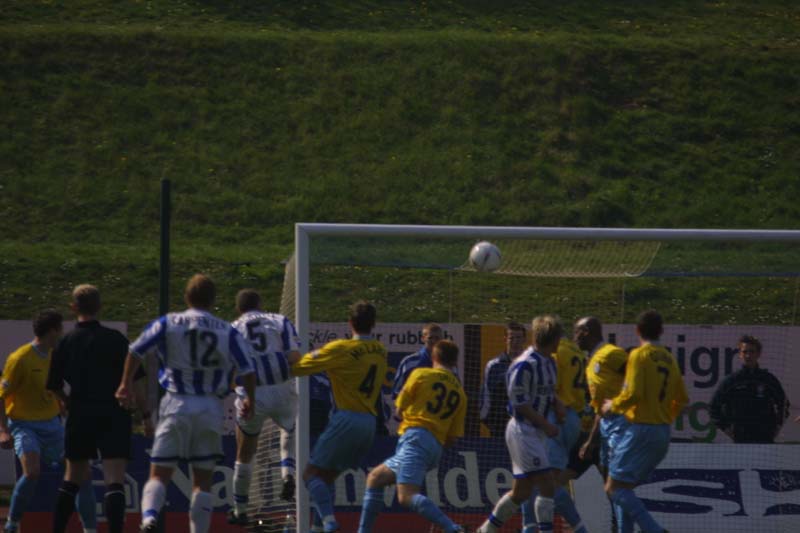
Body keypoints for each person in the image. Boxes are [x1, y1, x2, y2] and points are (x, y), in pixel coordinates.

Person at [115, 274, 257, 533]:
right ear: (213, 301)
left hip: (176, 403)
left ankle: (149, 518)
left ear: (186, 297)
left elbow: (135, 350)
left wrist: (125, 383)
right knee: (202, 481)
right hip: (209, 407)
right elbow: (247, 370)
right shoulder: (228, 331)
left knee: (159, 472)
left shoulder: (169, 322)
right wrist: (250, 399)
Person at [47, 286, 151, 533]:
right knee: (114, 479)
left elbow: (53, 385)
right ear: (100, 307)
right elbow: (137, 381)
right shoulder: (116, 339)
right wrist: (146, 415)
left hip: (81, 411)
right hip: (114, 412)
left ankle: (57, 529)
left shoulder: (66, 342)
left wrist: (66, 400)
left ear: (73, 308)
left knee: (72, 477)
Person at [290, 300, 388, 533]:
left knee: (309, 475)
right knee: (326, 478)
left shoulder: (340, 349)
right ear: (373, 324)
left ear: (350, 323)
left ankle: (329, 521)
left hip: (347, 419)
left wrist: (287, 358)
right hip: (369, 423)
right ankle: (317, 527)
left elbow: (299, 368)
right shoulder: (380, 351)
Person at [357, 339, 467, 533]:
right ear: (455, 362)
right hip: (435, 447)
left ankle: (453, 528)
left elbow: (398, 410)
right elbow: (453, 438)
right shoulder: (460, 393)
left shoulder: (421, 374)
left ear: (433, 357)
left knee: (406, 496)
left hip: (416, 438)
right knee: (375, 478)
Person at [0, 311, 95, 533]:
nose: (62, 333)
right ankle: (12, 523)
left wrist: (63, 404)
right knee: (32, 472)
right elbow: (1, 395)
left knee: (83, 474)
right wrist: (3, 430)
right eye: (60, 329)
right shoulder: (20, 359)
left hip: (52, 425)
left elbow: (54, 387)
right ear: (53, 331)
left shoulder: (57, 355)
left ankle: (91, 529)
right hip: (24, 425)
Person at [601, 310, 689, 533]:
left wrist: (612, 405)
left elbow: (633, 393)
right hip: (662, 432)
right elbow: (682, 399)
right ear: (661, 331)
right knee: (625, 489)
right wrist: (664, 417)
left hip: (640, 430)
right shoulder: (670, 359)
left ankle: (654, 530)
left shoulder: (638, 356)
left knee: (613, 488)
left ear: (637, 331)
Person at [476, 316, 561, 533]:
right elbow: (519, 404)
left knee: (520, 492)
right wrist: (546, 424)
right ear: (553, 339)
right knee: (548, 484)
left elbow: (547, 391)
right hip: (523, 430)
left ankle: (485, 531)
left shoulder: (550, 362)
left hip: (536, 432)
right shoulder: (524, 364)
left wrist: (558, 404)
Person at [227, 289, 302, 525]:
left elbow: (228, 373)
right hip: (282, 389)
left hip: (253, 394)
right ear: (261, 304)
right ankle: (287, 474)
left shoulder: (232, 329)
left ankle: (239, 509)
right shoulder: (280, 321)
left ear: (239, 309)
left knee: (245, 452)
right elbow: (295, 357)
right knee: (289, 428)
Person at [520, 332, 589, 533]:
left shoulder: (555, 354)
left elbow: (547, 385)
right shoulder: (577, 353)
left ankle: (574, 528)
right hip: (573, 420)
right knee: (546, 482)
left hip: (554, 417)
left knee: (540, 482)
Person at [710, 335, 790, 443]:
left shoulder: (768, 379)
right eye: (745, 352)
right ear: (740, 354)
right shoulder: (732, 381)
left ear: (758, 354)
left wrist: (777, 427)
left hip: (765, 438)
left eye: (752, 352)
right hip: (741, 438)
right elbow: (713, 407)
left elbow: (784, 404)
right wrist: (727, 429)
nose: (748, 355)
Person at [575, 316, 628, 472]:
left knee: (616, 484)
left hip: (622, 423)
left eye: (576, 332)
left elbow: (638, 377)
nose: (574, 338)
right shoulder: (591, 361)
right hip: (606, 425)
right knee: (608, 480)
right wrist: (591, 441)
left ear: (585, 332)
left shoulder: (610, 353)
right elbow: (600, 406)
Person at [479, 322, 526, 437]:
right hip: (499, 427)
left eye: (519, 338)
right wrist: (488, 420)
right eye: (512, 338)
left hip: (525, 426)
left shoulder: (530, 364)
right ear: (505, 339)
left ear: (524, 339)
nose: (515, 342)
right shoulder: (493, 365)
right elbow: (486, 395)